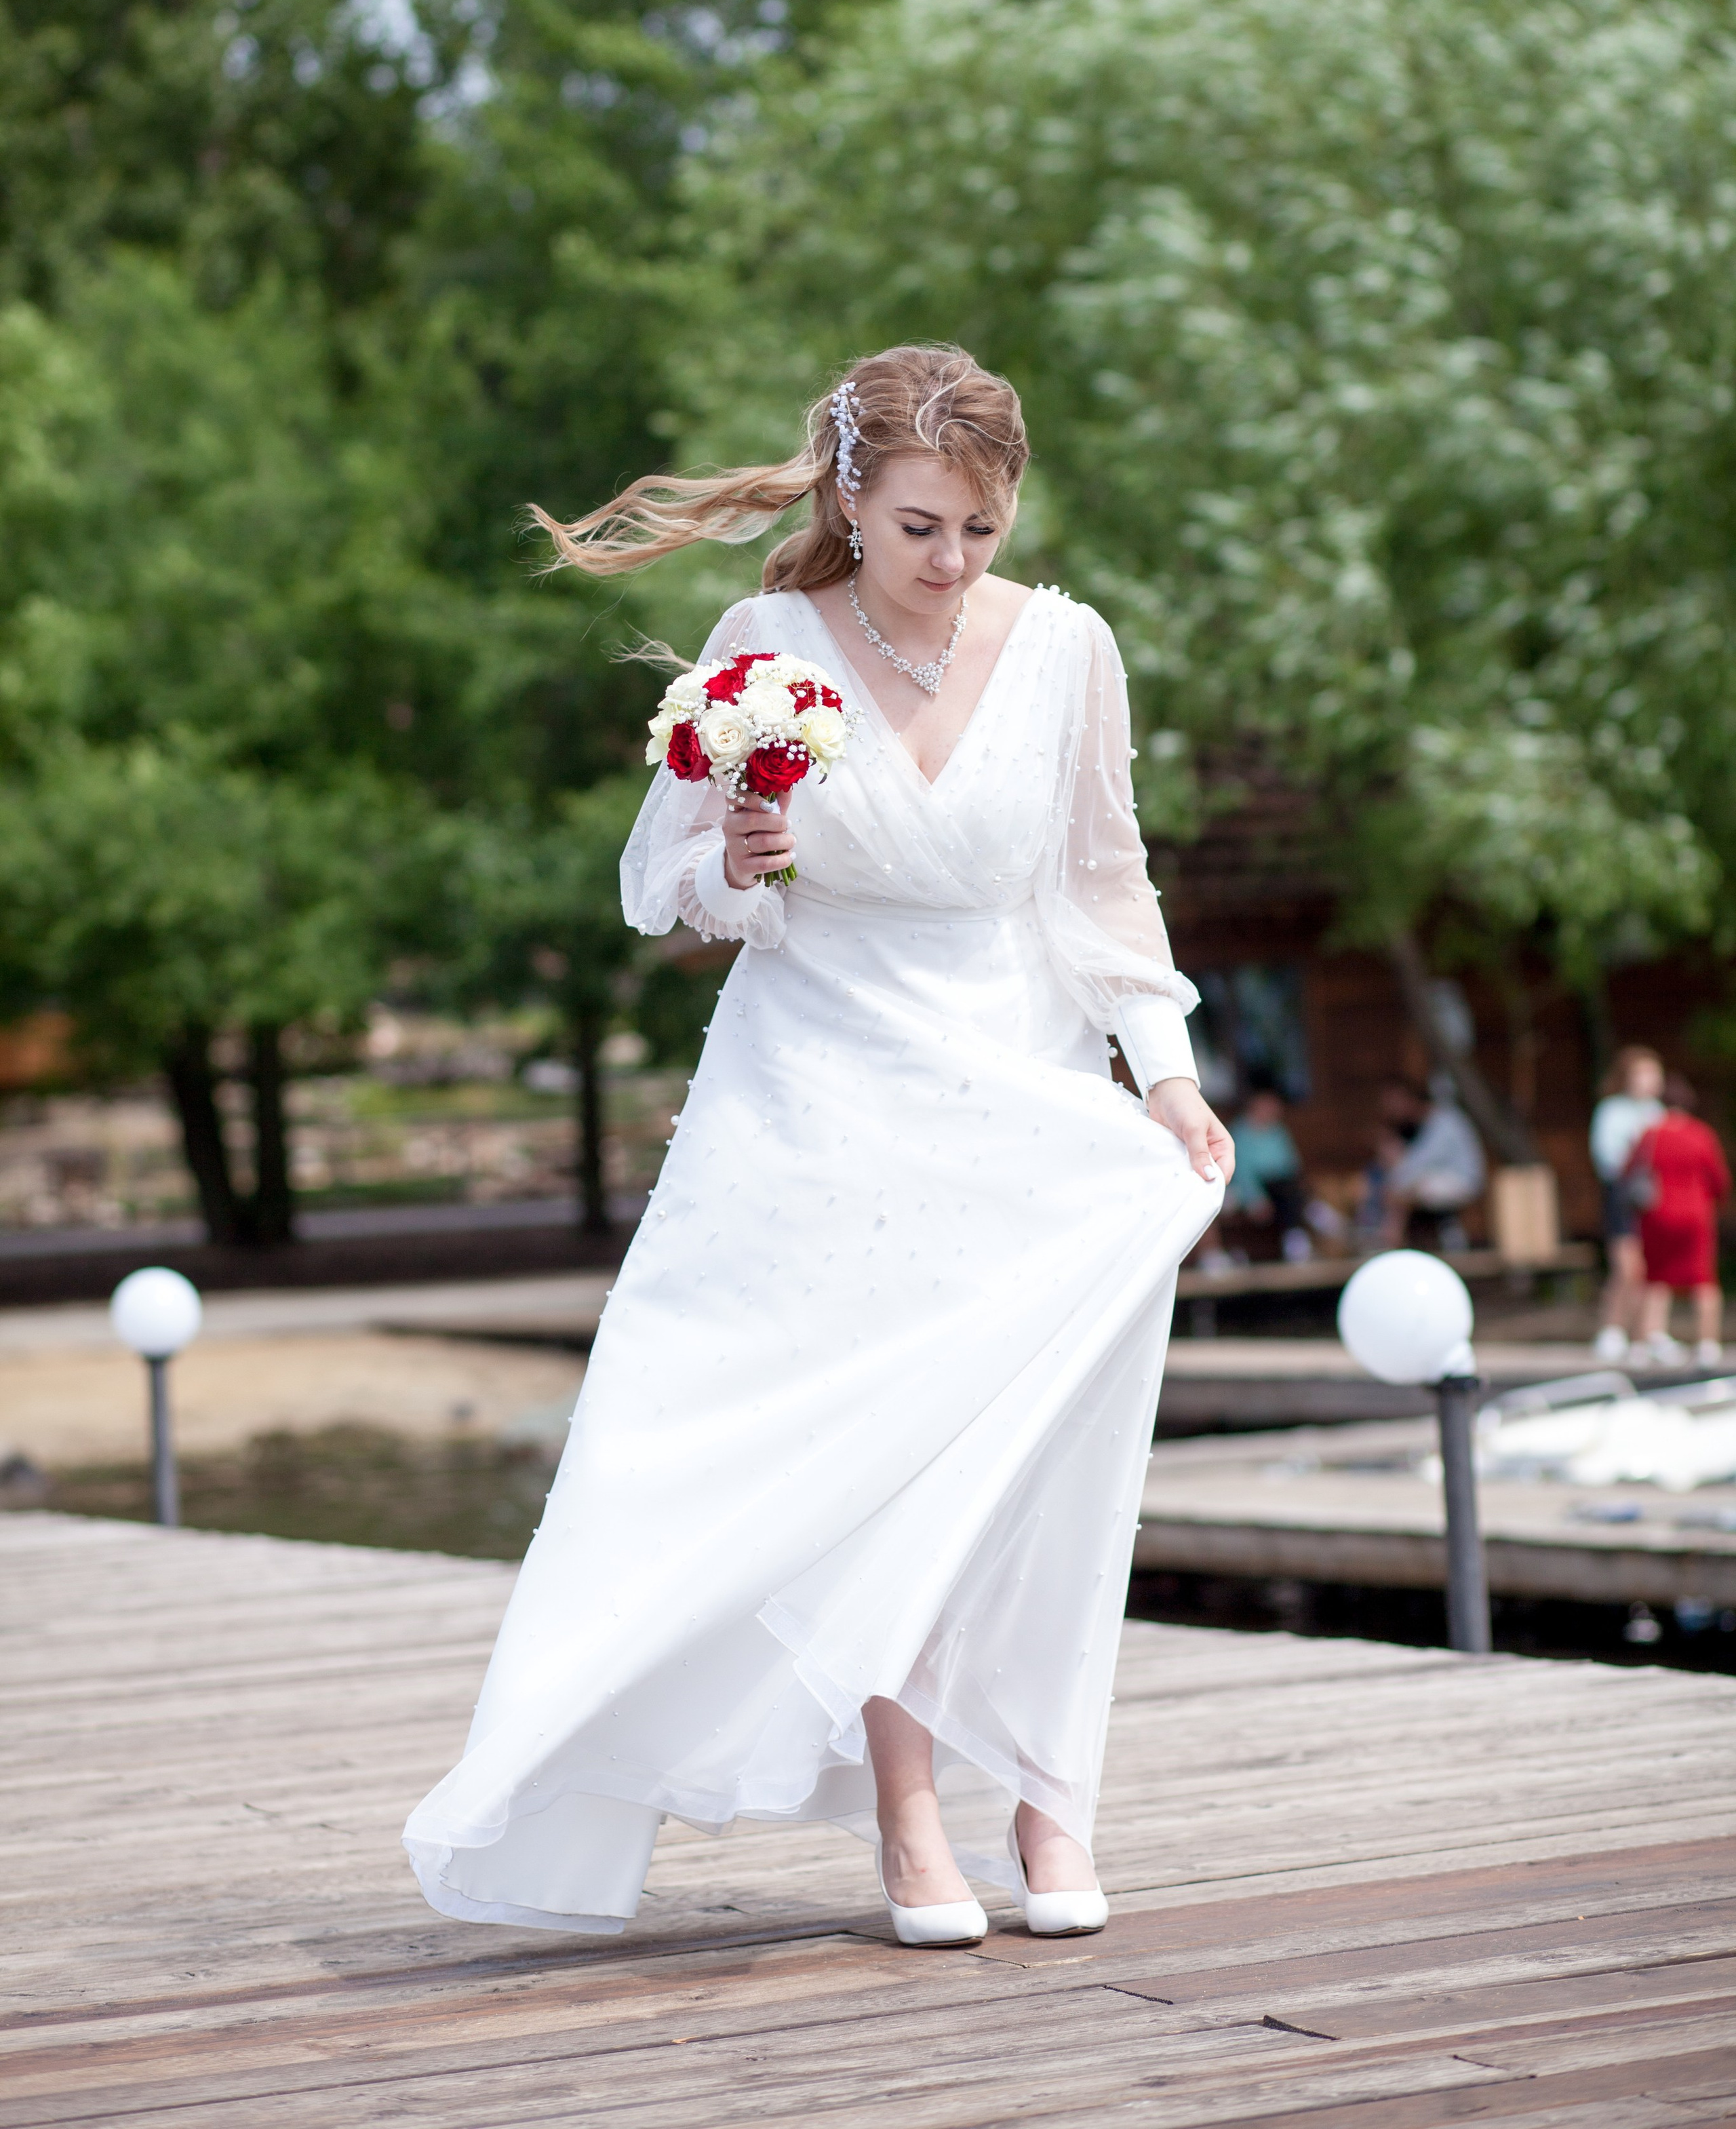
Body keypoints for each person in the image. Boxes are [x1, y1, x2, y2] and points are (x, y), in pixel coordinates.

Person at [404, 345, 1233, 1947]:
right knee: (878, 1472)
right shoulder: (764, 645)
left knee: (1040, 1452)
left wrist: (1165, 1071)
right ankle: (911, 1821)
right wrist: (743, 849)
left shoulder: (1065, 647)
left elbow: (1099, 884)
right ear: (850, 495)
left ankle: (1052, 1795)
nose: (951, 562)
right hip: (818, 1107)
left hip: (1016, 1089)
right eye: (921, 524)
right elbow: (677, 897)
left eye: (981, 529)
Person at [1626, 1074, 1729, 1369]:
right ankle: (1708, 1344)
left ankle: (1648, 1341)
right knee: (1704, 1279)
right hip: (1696, 1214)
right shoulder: (1702, 1134)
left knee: (1655, 1278)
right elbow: (1719, 1179)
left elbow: (1628, 1171)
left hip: (1657, 1214)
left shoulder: (1651, 1133)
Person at [1589, 1045, 1665, 1364]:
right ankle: (1612, 1330)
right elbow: (1607, 1156)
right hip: (1623, 1194)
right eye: (1641, 1074)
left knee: (1657, 1266)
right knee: (1627, 1266)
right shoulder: (1612, 1110)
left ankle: (1650, 1334)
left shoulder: (1658, 1111)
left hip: (1656, 1195)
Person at [1379, 1076, 1485, 1252]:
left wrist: (1396, 1174)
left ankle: (1391, 1243)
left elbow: (1421, 1162)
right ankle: (1447, 1239)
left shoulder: (1444, 1121)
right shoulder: (1429, 1123)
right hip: (1446, 1178)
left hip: (1464, 1181)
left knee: (1407, 1191)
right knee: (1405, 1189)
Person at [1228, 1086, 1310, 1259]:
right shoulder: (1241, 1132)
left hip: (1281, 1187)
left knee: (1289, 1189)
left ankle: (1295, 1239)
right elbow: (1241, 1171)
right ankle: (1298, 1235)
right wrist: (1255, 1199)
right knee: (1289, 1194)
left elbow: (1291, 1164)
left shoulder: (1278, 1132)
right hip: (1252, 1189)